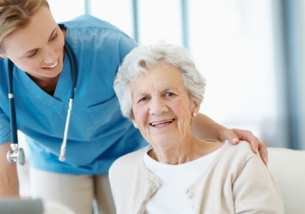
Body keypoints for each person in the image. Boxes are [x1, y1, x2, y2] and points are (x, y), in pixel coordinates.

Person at [0, 0, 268, 213]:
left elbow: (163, 105)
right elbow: (4, 174)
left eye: (53, 36)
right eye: (32, 53)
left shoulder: (107, 45)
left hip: (126, 153)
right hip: (57, 161)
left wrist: (222, 132)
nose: (52, 56)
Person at [109, 40, 284, 213]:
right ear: (132, 115)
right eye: (143, 98)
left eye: (169, 94)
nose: (157, 108)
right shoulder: (123, 172)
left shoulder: (240, 162)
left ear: (194, 104)